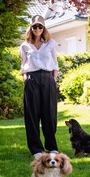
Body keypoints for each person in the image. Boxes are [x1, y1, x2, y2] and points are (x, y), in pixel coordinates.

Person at [20, 15, 59, 158]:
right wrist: (26, 79)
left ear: (44, 28)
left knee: (49, 114)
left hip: (47, 78)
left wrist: (53, 78)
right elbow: (24, 65)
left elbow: (55, 62)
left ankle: (51, 147)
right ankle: (36, 149)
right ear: (31, 28)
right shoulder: (24, 46)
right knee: (32, 114)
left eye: (40, 26)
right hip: (32, 79)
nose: (37, 29)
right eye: (35, 26)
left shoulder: (50, 43)